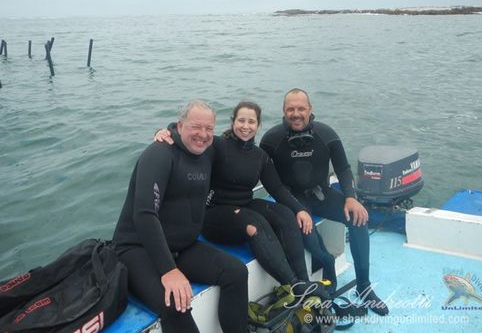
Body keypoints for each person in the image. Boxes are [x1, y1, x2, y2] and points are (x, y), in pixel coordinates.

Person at [155, 101, 330, 300]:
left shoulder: (260, 156)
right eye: (241, 120)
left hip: (244, 204)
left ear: (258, 125)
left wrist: (300, 209)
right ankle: (293, 284)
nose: (246, 126)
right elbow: (189, 135)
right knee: (254, 223)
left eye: (251, 122)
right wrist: (166, 131)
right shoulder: (218, 145)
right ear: (233, 122)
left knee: (285, 214)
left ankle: (304, 281)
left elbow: (277, 188)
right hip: (214, 213)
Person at [113, 101, 248, 333]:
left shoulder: (209, 149)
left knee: (236, 272)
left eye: (209, 129)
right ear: (180, 125)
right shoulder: (158, 154)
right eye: (196, 127)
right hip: (137, 250)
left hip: (182, 247)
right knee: (176, 304)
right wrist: (169, 270)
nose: (203, 135)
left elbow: (239, 143)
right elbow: (144, 214)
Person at [259, 88, 389, 316]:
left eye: (301, 108)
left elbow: (343, 167)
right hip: (290, 200)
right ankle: (328, 264)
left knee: (358, 220)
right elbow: (263, 175)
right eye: (291, 109)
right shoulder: (271, 140)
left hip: (322, 194)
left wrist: (351, 196)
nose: (296, 113)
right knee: (310, 240)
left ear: (310, 110)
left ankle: (364, 286)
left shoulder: (325, 134)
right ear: (283, 111)